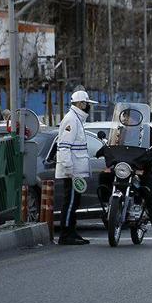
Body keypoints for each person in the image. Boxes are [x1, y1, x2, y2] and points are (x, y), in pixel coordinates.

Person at [98, 104, 152, 246]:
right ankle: (108, 206)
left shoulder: (147, 131)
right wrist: (103, 150)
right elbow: (113, 145)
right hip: (123, 168)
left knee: (151, 197)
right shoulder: (120, 131)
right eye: (125, 116)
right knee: (104, 177)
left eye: (128, 117)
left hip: (141, 169)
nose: (126, 119)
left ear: (136, 118)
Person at [56, 89, 98, 245]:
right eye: (87, 103)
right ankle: (66, 234)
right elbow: (64, 146)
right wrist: (69, 169)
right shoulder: (71, 120)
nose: (88, 106)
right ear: (81, 104)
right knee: (71, 202)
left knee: (74, 202)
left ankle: (72, 232)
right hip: (73, 171)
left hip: (76, 171)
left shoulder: (77, 119)